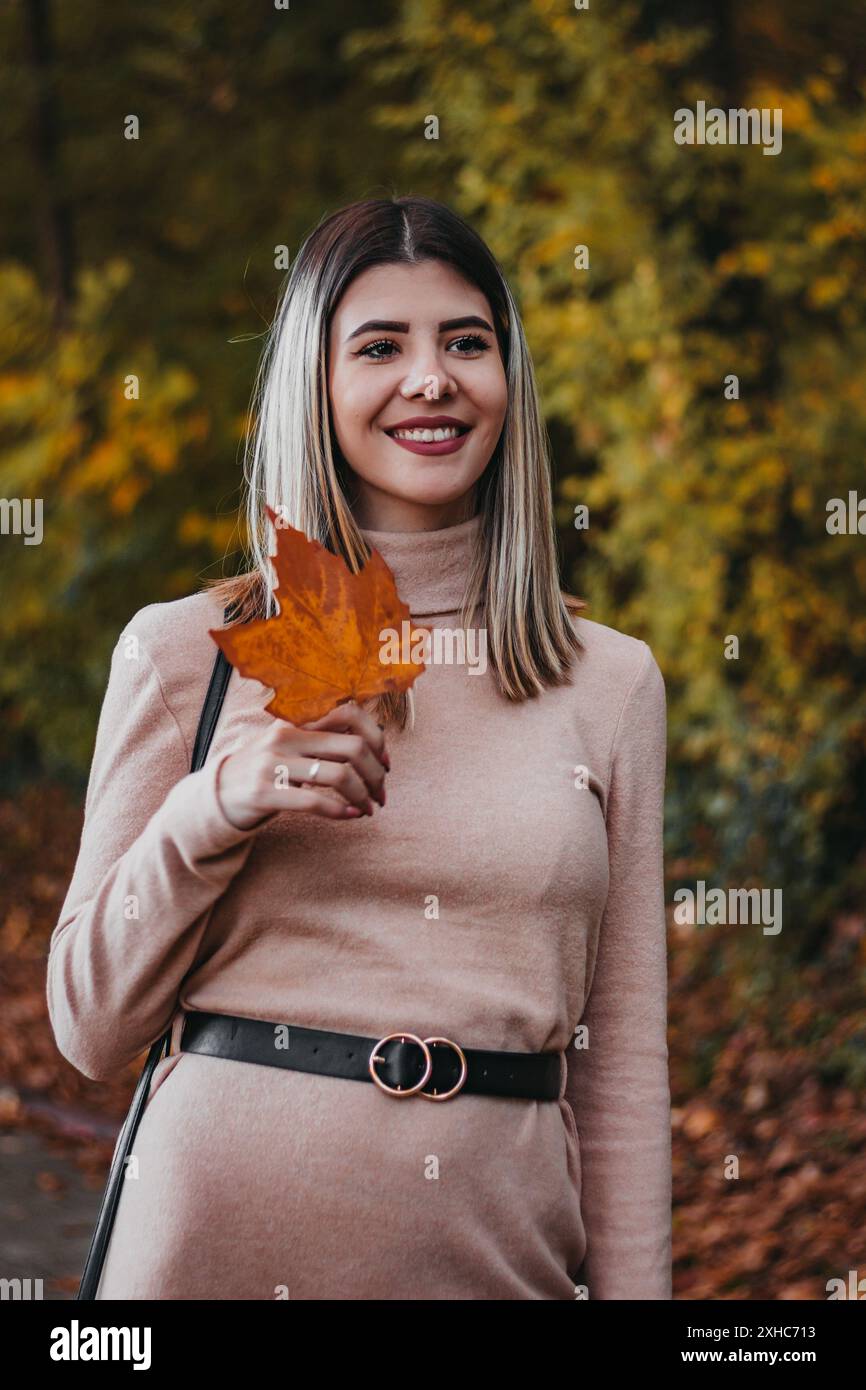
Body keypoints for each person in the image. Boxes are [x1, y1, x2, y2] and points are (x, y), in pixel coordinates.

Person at [47, 195, 671, 1300]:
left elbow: (617, 1069)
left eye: (465, 343)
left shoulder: (607, 680)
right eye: (379, 345)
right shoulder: (190, 652)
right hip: (208, 1255)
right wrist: (211, 807)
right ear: (316, 382)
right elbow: (90, 1028)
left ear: (507, 380)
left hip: (493, 1261)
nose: (429, 379)